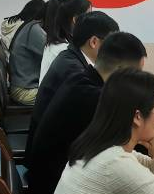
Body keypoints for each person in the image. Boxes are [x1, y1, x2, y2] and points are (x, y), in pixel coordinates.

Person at [27, 31, 147, 194]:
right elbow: (128, 152)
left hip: (51, 192)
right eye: (138, 76)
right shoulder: (95, 99)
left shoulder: (81, 79)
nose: (139, 84)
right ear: (120, 72)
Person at [27, 10, 120, 142]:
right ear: (94, 42)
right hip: (54, 149)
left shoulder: (71, 56)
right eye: (112, 43)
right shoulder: (74, 71)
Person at [39, 0, 92, 82]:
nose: (92, 21)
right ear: (75, 19)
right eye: (89, 15)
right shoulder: (63, 50)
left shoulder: (60, 43)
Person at [7, 1, 48, 106]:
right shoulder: (34, 29)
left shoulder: (30, 25)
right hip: (25, 91)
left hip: (21, 86)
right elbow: (52, 57)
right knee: (67, 97)